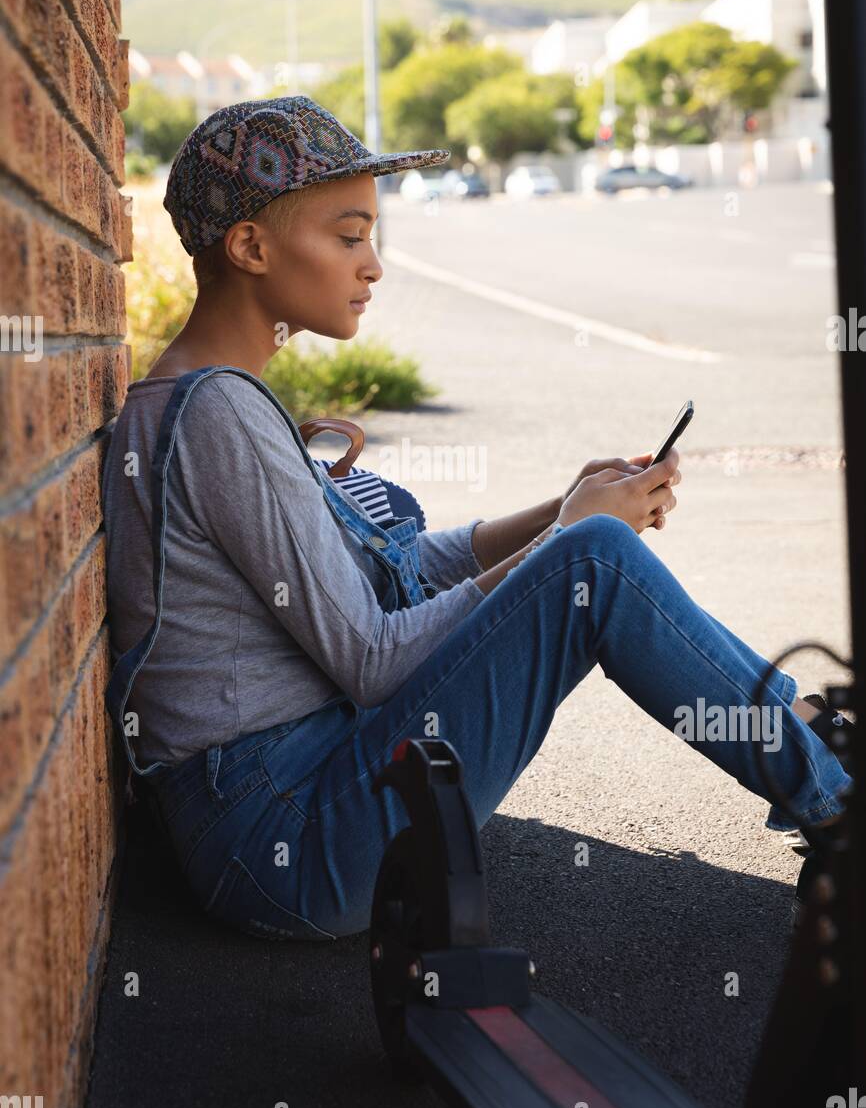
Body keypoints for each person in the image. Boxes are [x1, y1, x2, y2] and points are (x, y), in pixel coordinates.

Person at [102, 96, 851, 944]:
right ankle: (834, 797)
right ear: (249, 247)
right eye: (349, 237)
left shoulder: (210, 400)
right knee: (594, 562)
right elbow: (375, 659)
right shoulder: (216, 417)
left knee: (586, 550)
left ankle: (811, 745)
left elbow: (398, 572)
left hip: (296, 791)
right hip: (283, 837)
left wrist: (557, 515)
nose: (373, 266)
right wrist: (572, 540)